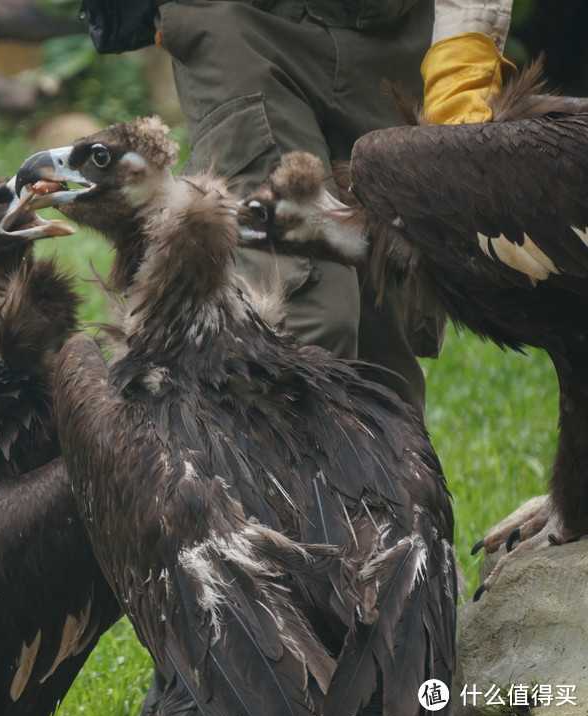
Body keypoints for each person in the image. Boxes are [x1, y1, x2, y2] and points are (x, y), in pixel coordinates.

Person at [79, 0, 514, 417]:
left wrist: (465, 53)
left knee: (384, 353)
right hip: (243, 21)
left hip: (396, 33)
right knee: (310, 320)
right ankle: (267, 488)